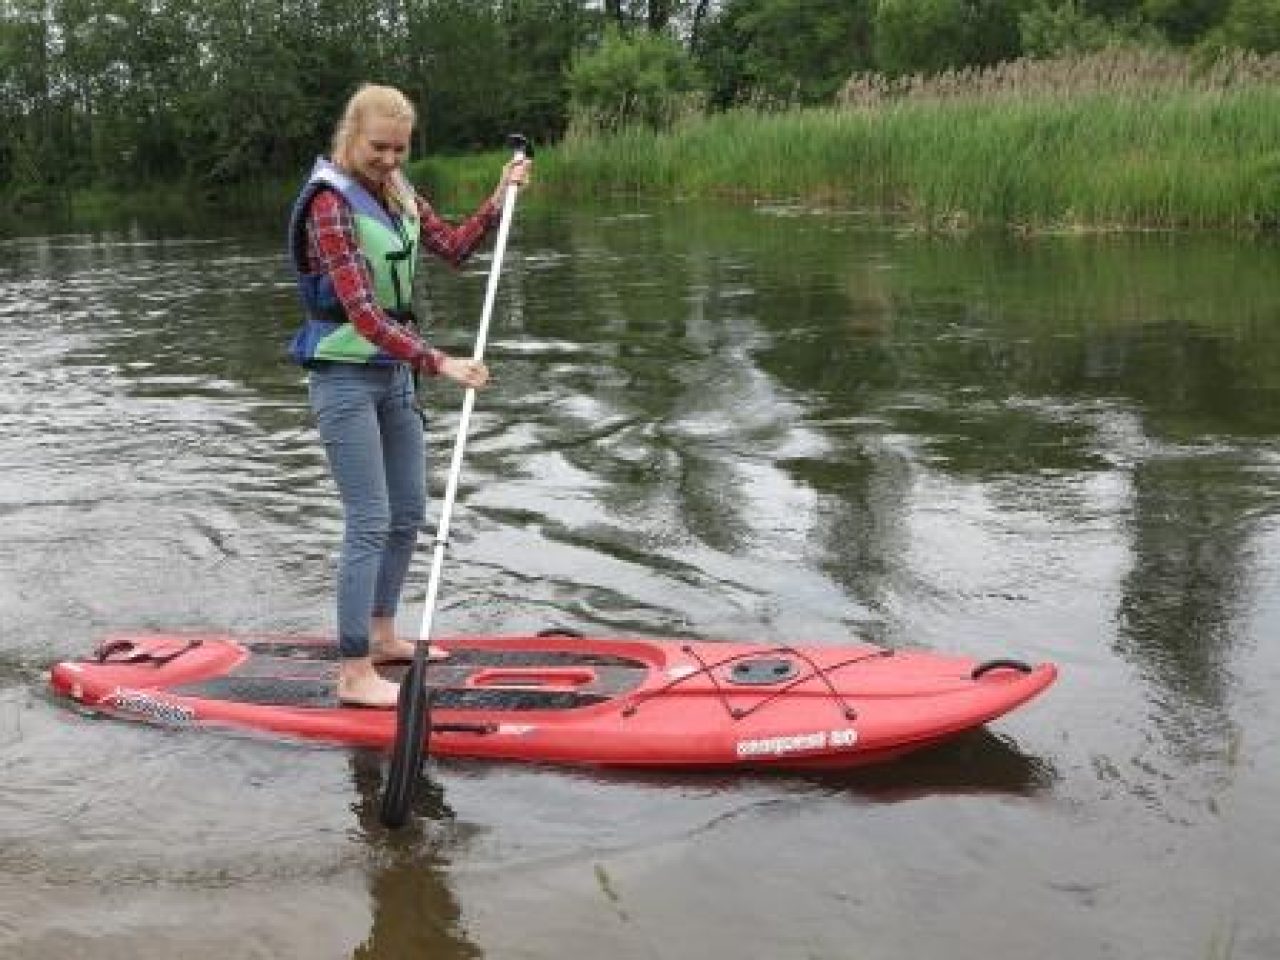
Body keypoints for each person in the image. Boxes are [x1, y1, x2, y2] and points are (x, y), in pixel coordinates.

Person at [286, 83, 530, 707]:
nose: (390, 159)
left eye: (400, 148)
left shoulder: (397, 192)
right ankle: (353, 672)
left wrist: (498, 198)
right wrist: (440, 361)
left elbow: (455, 248)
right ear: (351, 135)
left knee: (408, 514)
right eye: (379, 147)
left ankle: (381, 634)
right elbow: (364, 315)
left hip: (395, 375)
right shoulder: (329, 204)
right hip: (344, 376)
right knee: (369, 520)